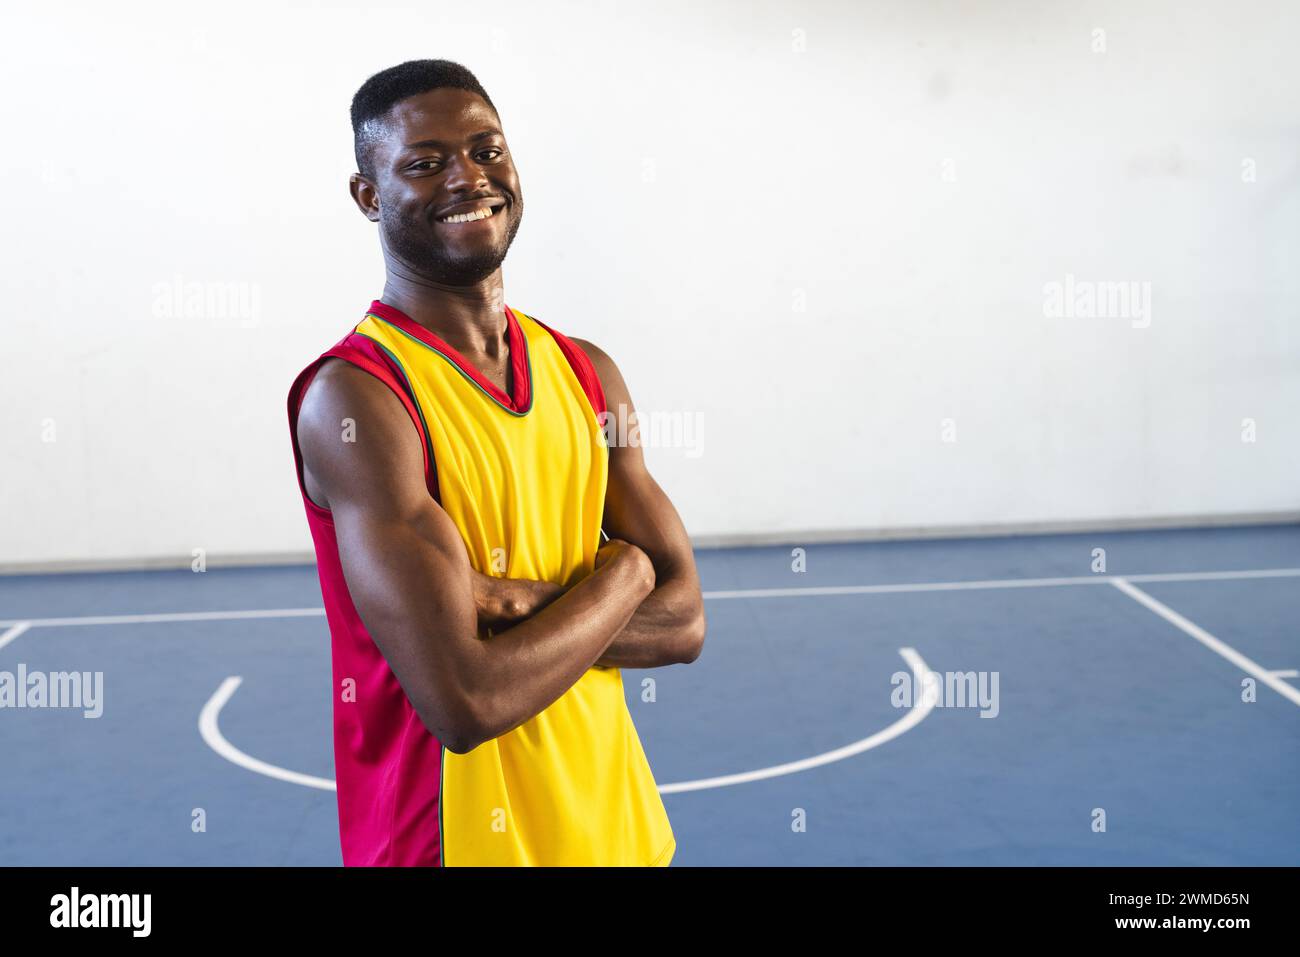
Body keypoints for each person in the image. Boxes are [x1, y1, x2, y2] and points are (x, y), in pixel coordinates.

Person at [286, 59, 706, 866]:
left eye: (486, 150)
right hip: (456, 842)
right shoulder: (360, 400)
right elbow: (464, 697)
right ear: (368, 195)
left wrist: (521, 602)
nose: (467, 177)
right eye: (426, 161)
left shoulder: (585, 372)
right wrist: (622, 577)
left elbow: (686, 622)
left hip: (613, 829)